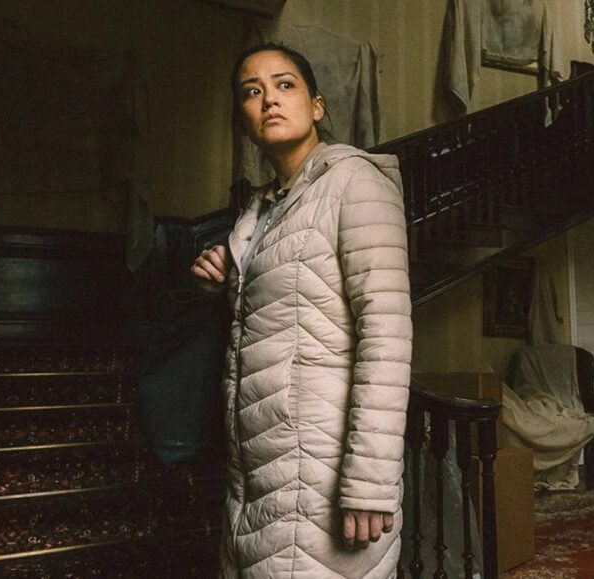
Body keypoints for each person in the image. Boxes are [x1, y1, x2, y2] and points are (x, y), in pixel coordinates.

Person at [191, 43, 412, 579]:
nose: (269, 99)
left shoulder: (354, 183)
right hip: (260, 468)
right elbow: (293, 312)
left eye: (285, 85)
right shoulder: (262, 208)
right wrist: (230, 272)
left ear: (317, 106)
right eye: (252, 91)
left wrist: (370, 482)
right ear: (243, 118)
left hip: (324, 469)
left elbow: (386, 335)